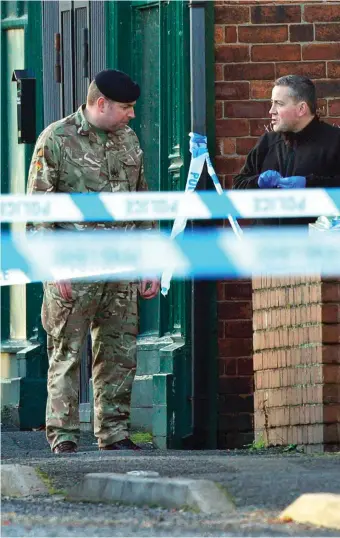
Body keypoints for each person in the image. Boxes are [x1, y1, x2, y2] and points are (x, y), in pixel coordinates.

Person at [27, 69, 160, 454]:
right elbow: (38, 209)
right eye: (126, 107)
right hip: (74, 265)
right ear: (101, 104)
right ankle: (64, 436)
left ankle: (114, 433)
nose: (131, 115)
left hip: (120, 266)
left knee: (119, 353)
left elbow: (142, 202)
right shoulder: (56, 139)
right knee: (67, 351)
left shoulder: (129, 140)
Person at [232, 75, 340, 226]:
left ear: (301, 108)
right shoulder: (267, 142)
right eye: (272, 103)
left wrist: (309, 184)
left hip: (316, 245)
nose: (271, 111)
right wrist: (258, 182)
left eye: (279, 104)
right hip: (264, 244)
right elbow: (238, 186)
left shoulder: (334, 141)